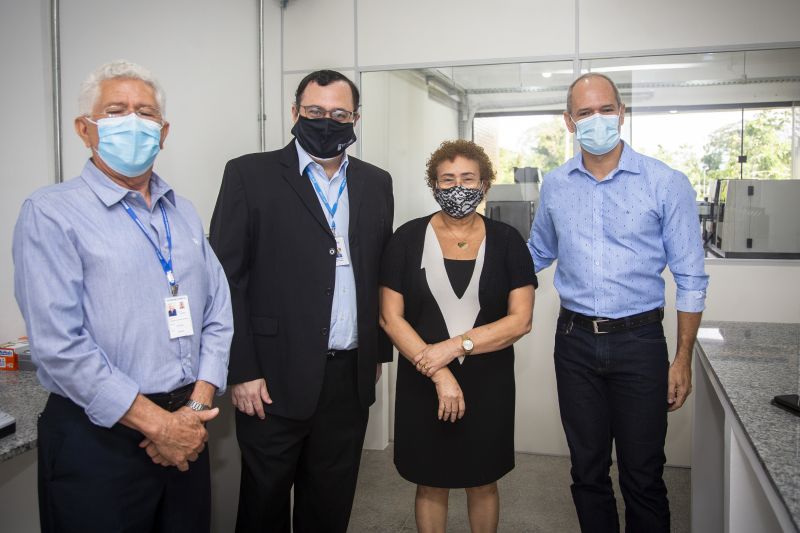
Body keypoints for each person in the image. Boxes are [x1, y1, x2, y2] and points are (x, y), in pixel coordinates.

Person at [12, 60, 232, 533]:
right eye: (116, 111)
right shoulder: (51, 214)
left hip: (187, 426)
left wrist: (192, 411)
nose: (133, 122)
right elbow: (59, 345)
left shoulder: (184, 212)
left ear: (163, 131)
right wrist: (159, 426)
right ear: (85, 129)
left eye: (145, 113)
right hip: (98, 439)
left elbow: (218, 312)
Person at [209, 69, 394, 533]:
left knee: (330, 504)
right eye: (315, 112)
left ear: (355, 119)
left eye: (339, 114)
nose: (326, 121)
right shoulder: (249, 174)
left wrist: (375, 352)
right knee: (264, 502)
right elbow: (227, 278)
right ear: (295, 113)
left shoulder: (376, 182)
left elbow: (380, 271)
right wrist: (242, 370)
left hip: (348, 376)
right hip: (271, 376)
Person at [528, 73, 709, 533]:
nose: (596, 120)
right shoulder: (555, 185)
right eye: (585, 113)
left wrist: (682, 357)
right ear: (569, 122)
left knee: (643, 474)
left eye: (605, 109)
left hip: (640, 342)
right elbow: (537, 254)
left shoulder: (665, 182)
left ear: (622, 113)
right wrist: (474, 258)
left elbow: (690, 276)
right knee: (587, 472)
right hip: (574, 343)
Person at [379, 140, 536, 533]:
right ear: (433, 184)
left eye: (468, 178)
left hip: (489, 380)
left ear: (485, 184)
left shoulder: (508, 242)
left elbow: (520, 320)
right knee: (430, 480)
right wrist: (438, 371)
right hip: (423, 376)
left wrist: (454, 347)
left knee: (483, 480)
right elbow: (389, 317)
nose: (457, 188)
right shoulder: (406, 238)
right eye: (447, 180)